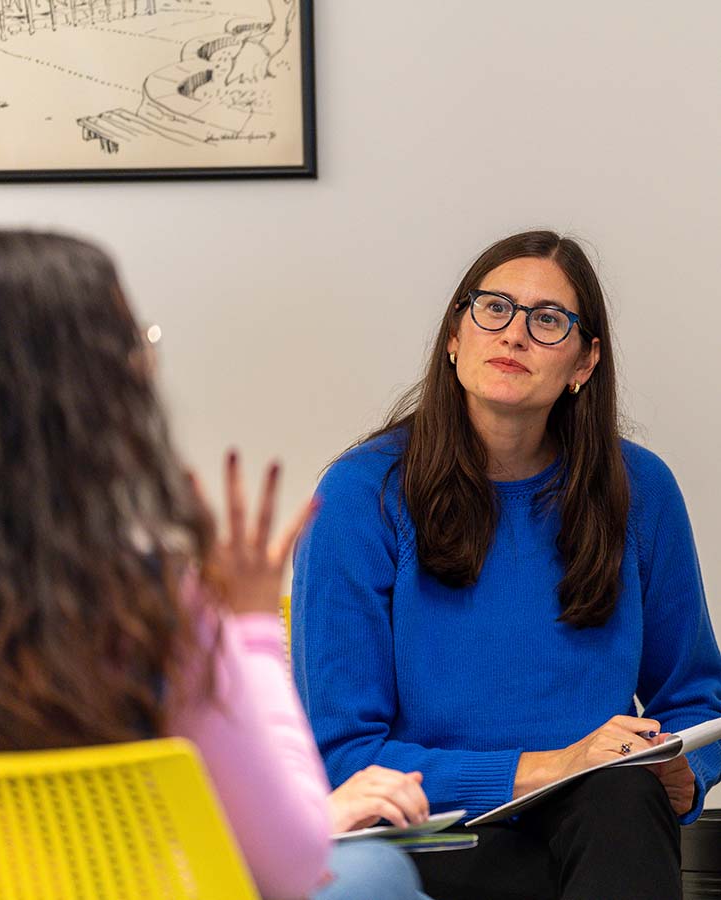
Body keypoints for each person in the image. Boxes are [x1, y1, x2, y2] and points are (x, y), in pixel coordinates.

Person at [0, 229, 430, 900]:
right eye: (136, 341)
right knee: (376, 873)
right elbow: (289, 865)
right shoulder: (149, 608)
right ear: (96, 391)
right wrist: (252, 629)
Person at [291, 229, 721, 900]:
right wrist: (555, 764)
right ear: (454, 338)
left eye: (549, 320)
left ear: (585, 363)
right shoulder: (358, 496)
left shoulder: (640, 490)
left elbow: (695, 696)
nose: (515, 334)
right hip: (432, 832)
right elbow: (344, 756)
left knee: (622, 796)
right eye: (493, 309)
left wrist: (683, 774)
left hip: (601, 822)